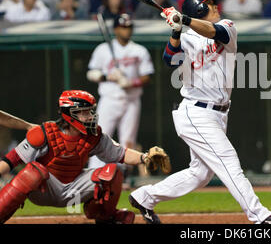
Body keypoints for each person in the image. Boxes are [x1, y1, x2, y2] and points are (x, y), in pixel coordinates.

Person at [128, 0, 271, 225]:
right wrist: (175, 30)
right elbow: (169, 59)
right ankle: (260, 216)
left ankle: (144, 197)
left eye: (213, 2)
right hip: (195, 111)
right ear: (199, 9)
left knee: (200, 174)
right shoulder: (186, 38)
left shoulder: (227, 26)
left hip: (218, 113)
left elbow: (216, 32)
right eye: (209, 3)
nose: (215, 5)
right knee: (228, 161)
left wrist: (183, 20)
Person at [0, 90, 169, 224]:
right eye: (84, 112)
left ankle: (106, 218)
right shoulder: (45, 133)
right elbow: (11, 160)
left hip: (74, 188)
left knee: (112, 172)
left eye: (90, 111)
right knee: (32, 172)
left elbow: (120, 154)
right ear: (69, 114)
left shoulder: (93, 135)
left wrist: (145, 157)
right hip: (46, 190)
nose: (90, 116)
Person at [87, 14, 154, 171]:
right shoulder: (103, 49)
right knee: (99, 136)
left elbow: (147, 76)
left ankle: (122, 175)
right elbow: (91, 73)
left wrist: (131, 82)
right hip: (109, 99)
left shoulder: (139, 50)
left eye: (129, 27)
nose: (127, 30)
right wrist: (107, 76)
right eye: (123, 27)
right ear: (116, 29)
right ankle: (93, 173)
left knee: (128, 140)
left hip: (131, 100)